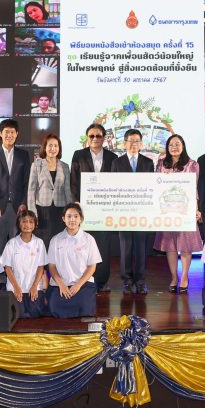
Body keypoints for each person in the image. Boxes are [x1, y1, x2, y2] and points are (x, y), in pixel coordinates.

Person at [69, 123, 117, 290]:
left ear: (103, 138)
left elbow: (117, 183)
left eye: (98, 136)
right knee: (84, 245)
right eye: (91, 136)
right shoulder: (79, 155)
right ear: (87, 138)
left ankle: (102, 281)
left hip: (104, 210)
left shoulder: (113, 157)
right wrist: (76, 203)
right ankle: (85, 280)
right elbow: (73, 181)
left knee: (103, 245)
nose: (95, 138)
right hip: (85, 209)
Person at [153, 134, 203, 293]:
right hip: (166, 210)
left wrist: (196, 210)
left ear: (183, 146)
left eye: (177, 144)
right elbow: (155, 186)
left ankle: (185, 277)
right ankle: (174, 277)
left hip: (185, 210)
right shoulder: (161, 163)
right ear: (167, 148)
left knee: (185, 246)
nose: (174, 147)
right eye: (171, 145)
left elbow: (194, 189)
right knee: (170, 246)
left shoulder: (192, 164)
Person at [110, 129, 155, 294]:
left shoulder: (148, 162)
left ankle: (141, 281)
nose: (134, 144)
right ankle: (127, 281)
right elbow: (113, 187)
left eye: (137, 141)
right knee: (125, 247)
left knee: (141, 248)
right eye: (131, 141)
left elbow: (151, 187)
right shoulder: (117, 162)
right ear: (125, 143)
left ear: (141, 144)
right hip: (123, 212)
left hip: (142, 212)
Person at [0, 119, 32, 255]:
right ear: (0, 133)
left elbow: (27, 182)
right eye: (6, 132)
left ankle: (14, 269)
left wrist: (23, 203)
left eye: (12, 132)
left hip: (17, 208)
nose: (9, 135)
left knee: (16, 245)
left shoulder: (24, 155)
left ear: (17, 134)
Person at [47, 203, 100, 318]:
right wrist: (61, 284)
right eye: (69, 216)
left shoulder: (89, 239)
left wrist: (78, 285)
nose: (72, 220)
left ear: (81, 219)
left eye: (76, 216)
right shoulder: (55, 240)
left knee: (85, 308)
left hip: (83, 284)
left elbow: (92, 266)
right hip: (61, 284)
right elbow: (52, 266)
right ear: (63, 219)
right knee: (55, 308)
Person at [26, 133, 72, 245]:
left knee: (59, 242)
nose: (53, 148)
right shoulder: (36, 165)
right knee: (43, 241)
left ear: (59, 148)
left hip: (60, 210)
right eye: (50, 145)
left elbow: (67, 191)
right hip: (42, 210)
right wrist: (33, 214)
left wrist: (69, 212)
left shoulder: (65, 166)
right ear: (45, 147)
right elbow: (31, 191)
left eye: (56, 146)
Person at [2, 210, 49, 317]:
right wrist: (16, 287)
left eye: (30, 221)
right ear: (19, 224)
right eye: (24, 221)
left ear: (35, 224)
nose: (27, 224)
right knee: (19, 314)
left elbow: (41, 267)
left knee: (36, 313)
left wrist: (34, 286)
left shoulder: (39, 243)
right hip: (16, 287)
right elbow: (8, 268)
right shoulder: (11, 243)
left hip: (34, 287)